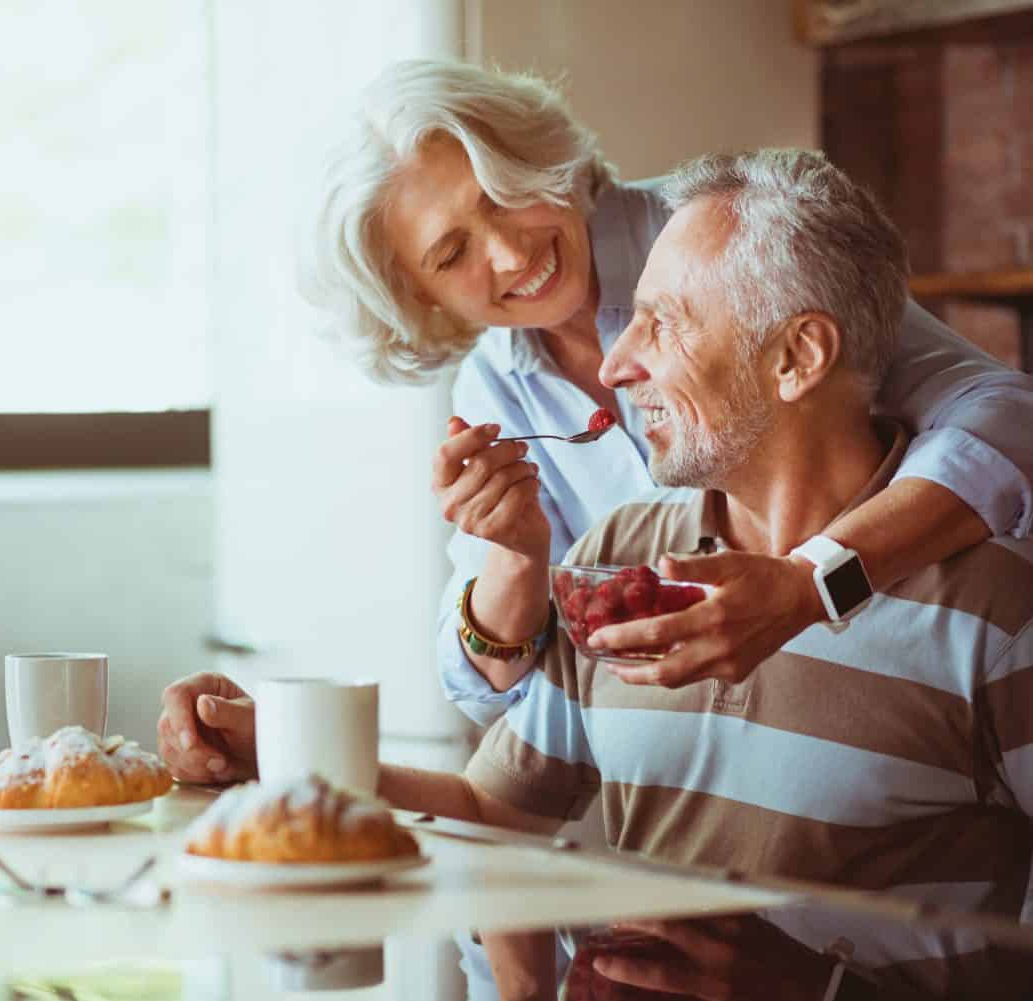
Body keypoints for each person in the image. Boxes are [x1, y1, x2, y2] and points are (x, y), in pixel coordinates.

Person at [162, 150, 1033, 998]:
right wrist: (281, 759)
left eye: (664, 323)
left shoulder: (997, 611)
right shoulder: (615, 554)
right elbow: (495, 811)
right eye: (451, 251)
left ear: (797, 358)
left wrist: (825, 990)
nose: (614, 367)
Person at [291, 59, 1033, 727]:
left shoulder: (723, 233)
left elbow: (1007, 418)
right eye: (451, 254)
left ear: (535, 152)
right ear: (417, 300)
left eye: (504, 192)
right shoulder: (494, 385)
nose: (512, 252)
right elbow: (490, 685)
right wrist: (516, 557)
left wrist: (811, 583)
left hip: (918, 693)